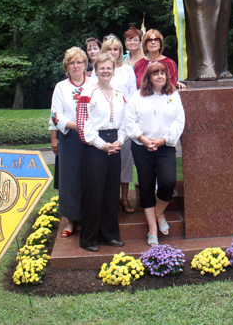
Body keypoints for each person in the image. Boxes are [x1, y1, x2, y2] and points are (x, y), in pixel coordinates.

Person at [124, 62, 185, 246]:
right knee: (146, 185)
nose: (160, 76)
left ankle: (158, 214)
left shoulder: (174, 96)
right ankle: (152, 228)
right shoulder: (137, 97)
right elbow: (129, 120)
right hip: (142, 147)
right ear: (148, 78)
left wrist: (164, 140)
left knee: (168, 182)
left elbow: (179, 121)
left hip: (165, 146)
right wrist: (142, 138)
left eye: (162, 73)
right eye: (155, 74)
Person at [76, 54, 127, 252]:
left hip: (115, 143)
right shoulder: (88, 91)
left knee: (111, 192)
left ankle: (110, 235)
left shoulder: (118, 93)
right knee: (93, 193)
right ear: (95, 70)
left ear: (114, 70)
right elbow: (82, 125)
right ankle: (88, 238)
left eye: (109, 68)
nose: (106, 71)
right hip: (94, 146)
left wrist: (119, 141)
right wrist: (102, 145)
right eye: (102, 68)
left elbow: (124, 121)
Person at [49, 47, 89, 237]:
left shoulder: (94, 84)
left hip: (91, 137)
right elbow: (55, 115)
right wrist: (56, 135)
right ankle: (72, 219)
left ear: (85, 65)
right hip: (69, 137)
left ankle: (90, 216)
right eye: (72, 62)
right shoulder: (60, 87)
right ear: (66, 66)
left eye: (79, 62)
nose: (75, 65)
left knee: (90, 177)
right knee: (70, 178)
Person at [101, 36, 137, 214]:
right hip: (105, 125)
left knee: (125, 163)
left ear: (120, 51)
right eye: (109, 49)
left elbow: (133, 95)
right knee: (107, 163)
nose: (113, 52)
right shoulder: (100, 71)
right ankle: (110, 199)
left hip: (124, 122)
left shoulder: (128, 70)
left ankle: (124, 198)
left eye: (116, 49)